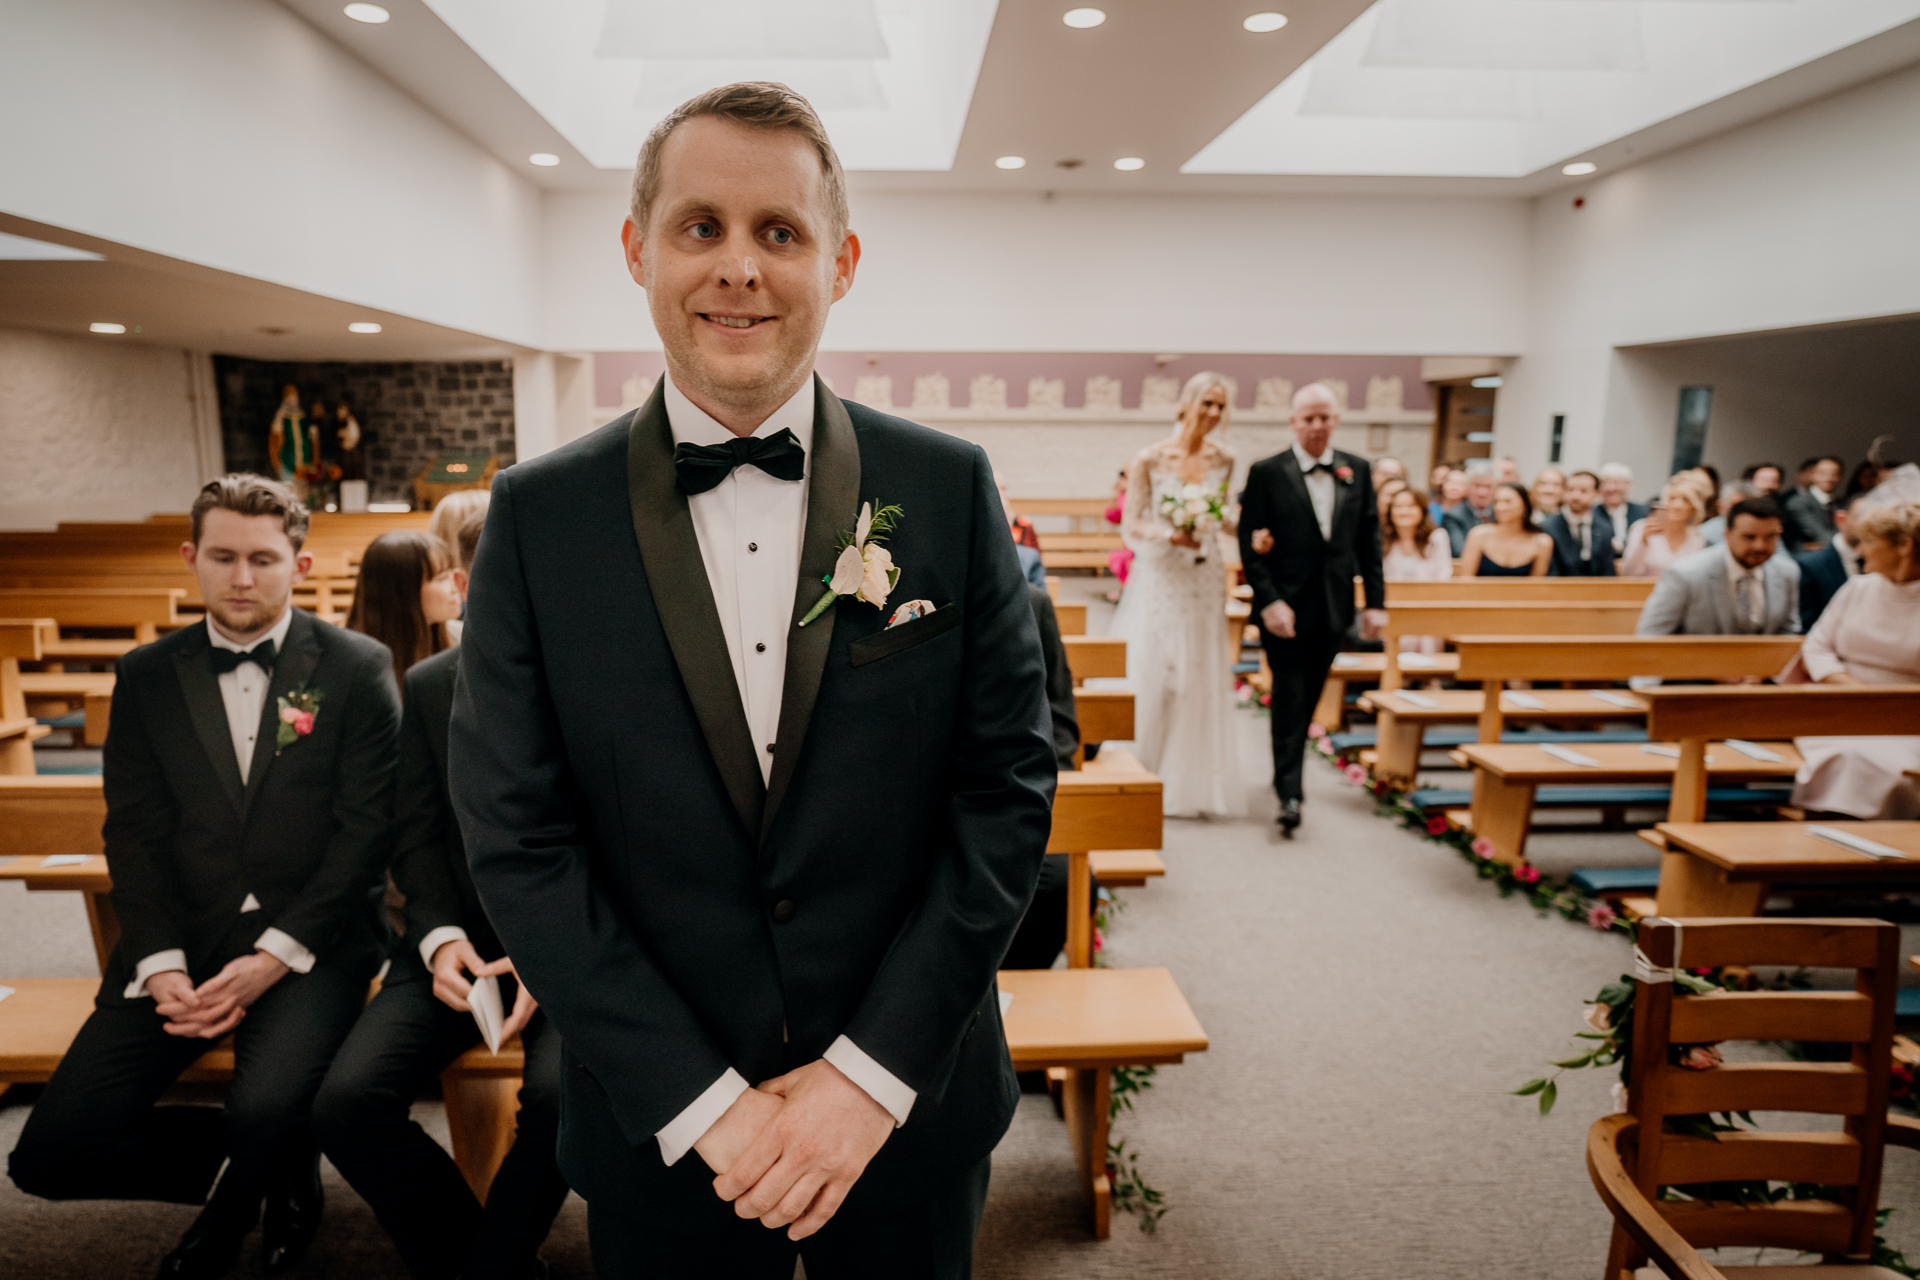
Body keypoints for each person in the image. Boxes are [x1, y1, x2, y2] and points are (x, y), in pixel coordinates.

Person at [447, 83, 1055, 1278]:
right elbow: (518, 835)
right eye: (700, 226)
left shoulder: (947, 487)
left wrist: (868, 1074)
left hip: (908, 1109)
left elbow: (1006, 793)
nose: (740, 267)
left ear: (843, 260)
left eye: (781, 231)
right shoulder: (535, 518)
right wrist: (702, 1100)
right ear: (638, 249)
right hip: (663, 1128)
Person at [8, 475, 399, 1279]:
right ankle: (260, 1170)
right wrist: (159, 967)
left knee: (265, 1101)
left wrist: (273, 957)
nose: (243, 577)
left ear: (300, 562)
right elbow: (136, 835)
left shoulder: (357, 666)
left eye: (263, 558)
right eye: (222, 556)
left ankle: (232, 1216)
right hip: (179, 943)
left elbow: (367, 834)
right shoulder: (148, 675)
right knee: (46, 1155)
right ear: (193, 558)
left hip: (312, 943)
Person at [311, 513, 570, 1280]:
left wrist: (543, 951)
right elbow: (415, 833)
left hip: (572, 946)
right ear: (463, 581)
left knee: (561, 1103)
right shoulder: (427, 687)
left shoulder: (602, 675)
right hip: (452, 946)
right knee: (347, 1103)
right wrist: (439, 938)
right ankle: (489, 1264)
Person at [1239, 382, 1385, 835]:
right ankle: (1290, 793)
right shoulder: (1267, 472)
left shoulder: (1356, 470)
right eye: (1309, 418)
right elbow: (1251, 545)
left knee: (1309, 696)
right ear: (1293, 422)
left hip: (1333, 605)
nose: (1317, 426)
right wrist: (1270, 601)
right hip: (1283, 607)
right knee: (1289, 693)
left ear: (1336, 421)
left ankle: (1286, 768)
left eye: (1325, 417)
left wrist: (1375, 603)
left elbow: (1369, 541)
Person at [1110, 371, 1245, 818]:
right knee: (1156, 666)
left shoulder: (1225, 459)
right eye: (1207, 403)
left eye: (1221, 406)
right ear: (1186, 405)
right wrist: (1171, 534)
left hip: (1203, 576)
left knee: (1196, 674)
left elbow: (1225, 517)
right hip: (1162, 575)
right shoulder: (1151, 457)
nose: (1213, 413)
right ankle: (1137, 769)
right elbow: (1133, 523)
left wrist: (1242, 527)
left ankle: (1187, 781)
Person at [1779, 502, 1920, 819]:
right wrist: (1855, 691)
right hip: (1839, 700)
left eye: (1869, 542)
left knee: (1886, 766)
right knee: (1840, 753)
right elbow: (1816, 646)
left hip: (1907, 717)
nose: (1860, 551)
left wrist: (1887, 703)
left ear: (1905, 546)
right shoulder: (1858, 588)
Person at [1635, 496, 1801, 636]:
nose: (1760, 546)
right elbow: (1651, 635)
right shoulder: (1685, 573)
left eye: (1770, 537)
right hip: (1695, 672)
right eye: (1749, 537)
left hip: (1762, 672)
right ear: (1727, 535)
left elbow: (1789, 632)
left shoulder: (1787, 572)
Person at [347, 530, 462, 685]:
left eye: (452, 574)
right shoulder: (358, 659)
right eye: (442, 578)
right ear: (404, 593)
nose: (456, 587)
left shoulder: (460, 637)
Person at [1381, 485, 1452, 654]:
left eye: (1411, 506)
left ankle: (1429, 678)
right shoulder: (1382, 539)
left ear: (1422, 510)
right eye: (1398, 506)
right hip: (1391, 607)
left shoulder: (1437, 537)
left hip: (1428, 606)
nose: (1404, 511)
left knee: (1427, 627)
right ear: (1390, 511)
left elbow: (1443, 575)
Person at [1795, 491, 1867, 630]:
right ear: (1841, 519)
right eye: (1861, 517)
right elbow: (1805, 625)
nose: (1869, 525)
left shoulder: (1883, 564)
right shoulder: (1809, 565)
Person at [1622, 474, 1711, 578]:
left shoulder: (1697, 539)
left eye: (1686, 500)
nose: (1678, 505)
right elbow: (1628, 573)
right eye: (1672, 498)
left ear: (1693, 507)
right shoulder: (1642, 528)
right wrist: (1643, 543)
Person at [1460, 482, 1552, 577]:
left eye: (1508, 501)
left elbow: (1537, 586)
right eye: (1496, 502)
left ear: (1525, 505)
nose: (1500, 507)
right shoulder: (1478, 535)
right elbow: (1466, 580)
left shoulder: (1542, 542)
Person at [1542, 469, 1617, 577]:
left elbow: (1608, 570)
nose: (1575, 496)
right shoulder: (1547, 527)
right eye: (1570, 489)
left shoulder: (1605, 527)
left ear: (1596, 493)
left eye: (1583, 491)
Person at [1782, 455, 1843, 551]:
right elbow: (1818, 534)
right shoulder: (1797, 502)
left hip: (1834, 553)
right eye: (1823, 473)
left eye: (1834, 474)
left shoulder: (1840, 503)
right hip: (1807, 557)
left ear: (1839, 477)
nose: (1829, 478)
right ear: (1813, 475)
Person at [1597, 463, 1649, 557]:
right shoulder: (1592, 513)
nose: (1611, 488)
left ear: (1628, 485)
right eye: (1606, 483)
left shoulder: (1643, 512)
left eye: (1616, 483)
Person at [1441, 469, 1496, 556]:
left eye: (1488, 487)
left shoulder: (1501, 513)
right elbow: (1459, 551)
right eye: (1477, 486)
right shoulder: (1453, 516)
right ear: (1467, 487)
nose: (1482, 493)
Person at [1699, 480, 1760, 546]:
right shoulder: (1704, 534)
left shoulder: (1769, 531)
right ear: (1720, 506)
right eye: (1736, 507)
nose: (1744, 513)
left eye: (1750, 507)